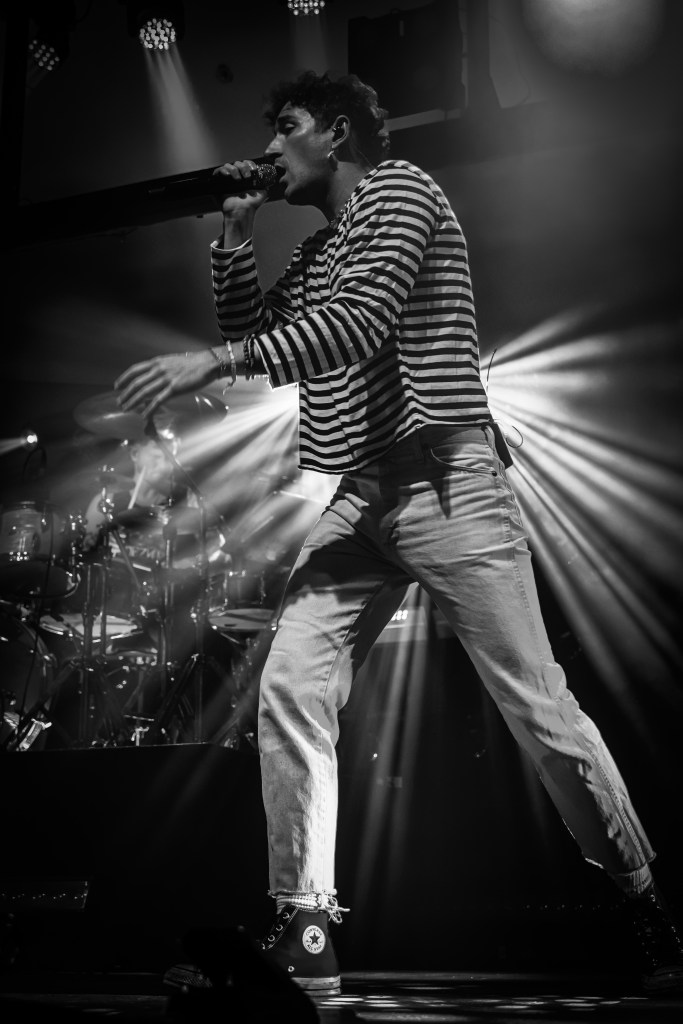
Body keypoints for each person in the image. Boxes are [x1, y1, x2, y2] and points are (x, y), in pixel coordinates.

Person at [115, 71, 683, 997]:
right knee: (290, 687)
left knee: (537, 709)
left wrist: (211, 361)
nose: (270, 149)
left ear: (336, 134)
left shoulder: (404, 191)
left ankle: (642, 900)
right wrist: (234, 236)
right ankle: (305, 925)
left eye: (286, 127)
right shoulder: (320, 247)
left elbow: (354, 323)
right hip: (361, 493)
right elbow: (259, 332)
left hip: (448, 480)